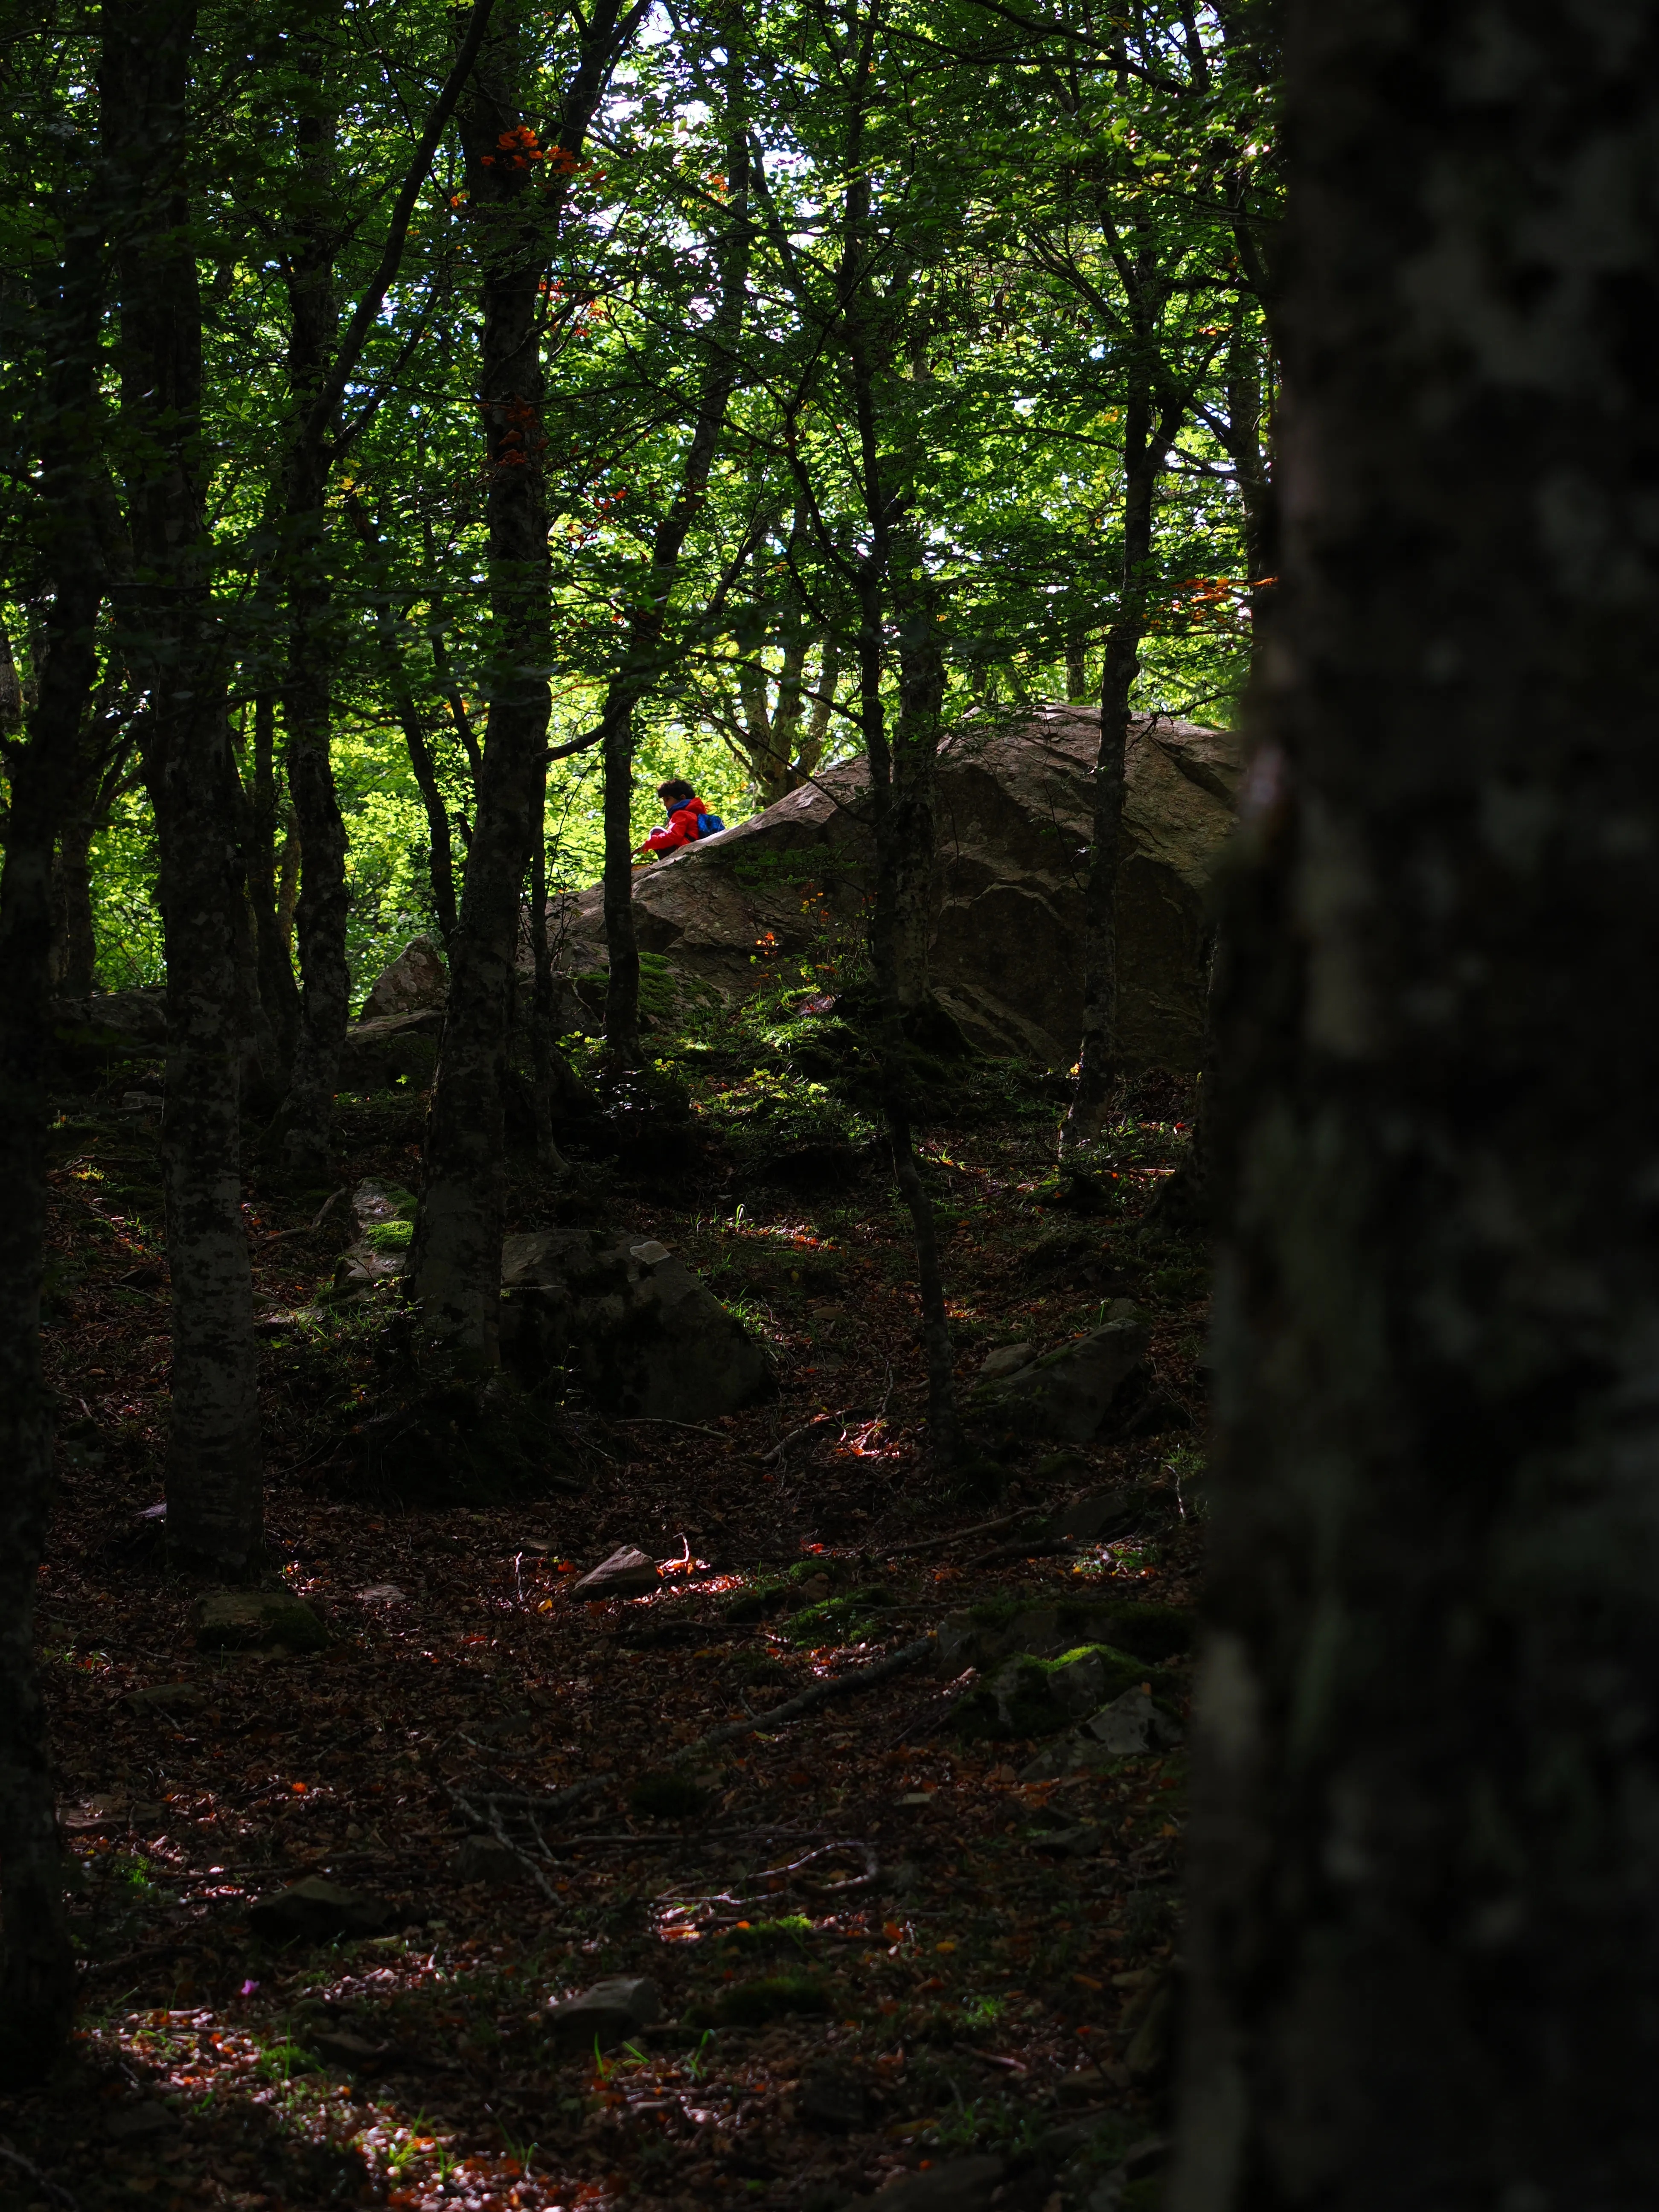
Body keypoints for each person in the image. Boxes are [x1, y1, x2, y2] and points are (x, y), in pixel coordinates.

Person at [636, 778, 725, 858]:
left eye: (668, 799)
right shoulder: (694, 815)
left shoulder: (681, 814)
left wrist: (649, 843)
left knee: (655, 831)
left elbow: (673, 836)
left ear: (682, 798)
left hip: (685, 850)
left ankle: (666, 862)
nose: (665, 804)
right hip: (695, 848)